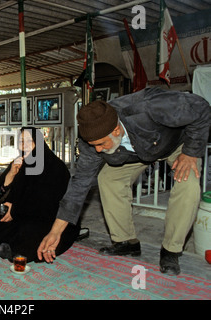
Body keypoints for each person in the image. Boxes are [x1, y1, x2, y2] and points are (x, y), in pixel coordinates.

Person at [38, 87, 210, 275]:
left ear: (117, 129)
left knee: (189, 183)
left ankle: (171, 250)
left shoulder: (150, 107)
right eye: (93, 145)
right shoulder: (91, 142)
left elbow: (201, 108)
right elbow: (79, 186)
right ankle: (126, 242)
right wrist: (56, 231)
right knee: (107, 179)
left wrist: (191, 152)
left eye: (102, 144)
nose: (97, 150)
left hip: (175, 145)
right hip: (131, 154)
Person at [0, 127, 80, 262]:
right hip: (21, 214)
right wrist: (11, 175)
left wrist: (15, 208)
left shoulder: (54, 166)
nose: (24, 145)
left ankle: (15, 247)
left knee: (29, 234)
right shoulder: (20, 162)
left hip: (49, 218)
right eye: (21, 141)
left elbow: (45, 203)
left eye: (29, 141)